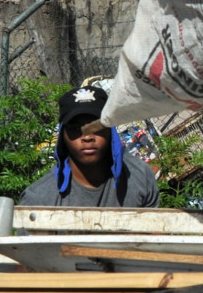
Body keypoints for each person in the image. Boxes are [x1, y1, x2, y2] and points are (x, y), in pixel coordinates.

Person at [17, 83, 160, 208]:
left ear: (110, 129)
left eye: (96, 126)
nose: (87, 137)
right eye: (76, 129)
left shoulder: (139, 177)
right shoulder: (39, 199)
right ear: (63, 135)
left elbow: (154, 235)